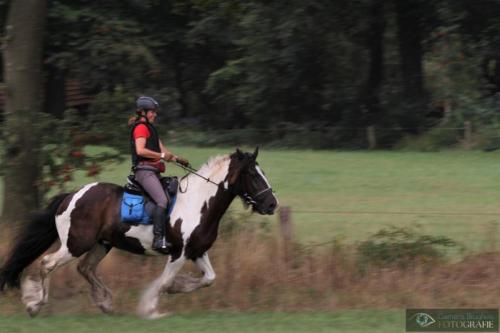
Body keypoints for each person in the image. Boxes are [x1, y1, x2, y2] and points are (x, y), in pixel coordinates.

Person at [129, 96, 189, 253]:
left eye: (155, 112)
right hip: (144, 172)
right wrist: (162, 157)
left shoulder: (151, 129)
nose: (154, 115)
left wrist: (177, 159)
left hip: (153, 172)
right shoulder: (141, 128)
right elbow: (140, 150)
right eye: (152, 112)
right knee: (162, 200)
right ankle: (158, 239)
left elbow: (163, 151)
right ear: (143, 112)